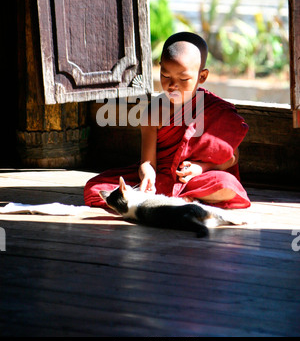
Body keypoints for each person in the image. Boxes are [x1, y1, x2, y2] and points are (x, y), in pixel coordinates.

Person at [84, 32, 251, 209]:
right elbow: (147, 162)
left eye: (183, 79)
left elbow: (232, 157)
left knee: (226, 185)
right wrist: (148, 175)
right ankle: (185, 201)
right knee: (94, 188)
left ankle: (169, 200)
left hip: (196, 178)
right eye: (165, 76)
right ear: (160, 68)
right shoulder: (154, 110)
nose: (172, 85)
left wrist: (201, 168)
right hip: (161, 178)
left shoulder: (214, 109)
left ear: (202, 77)